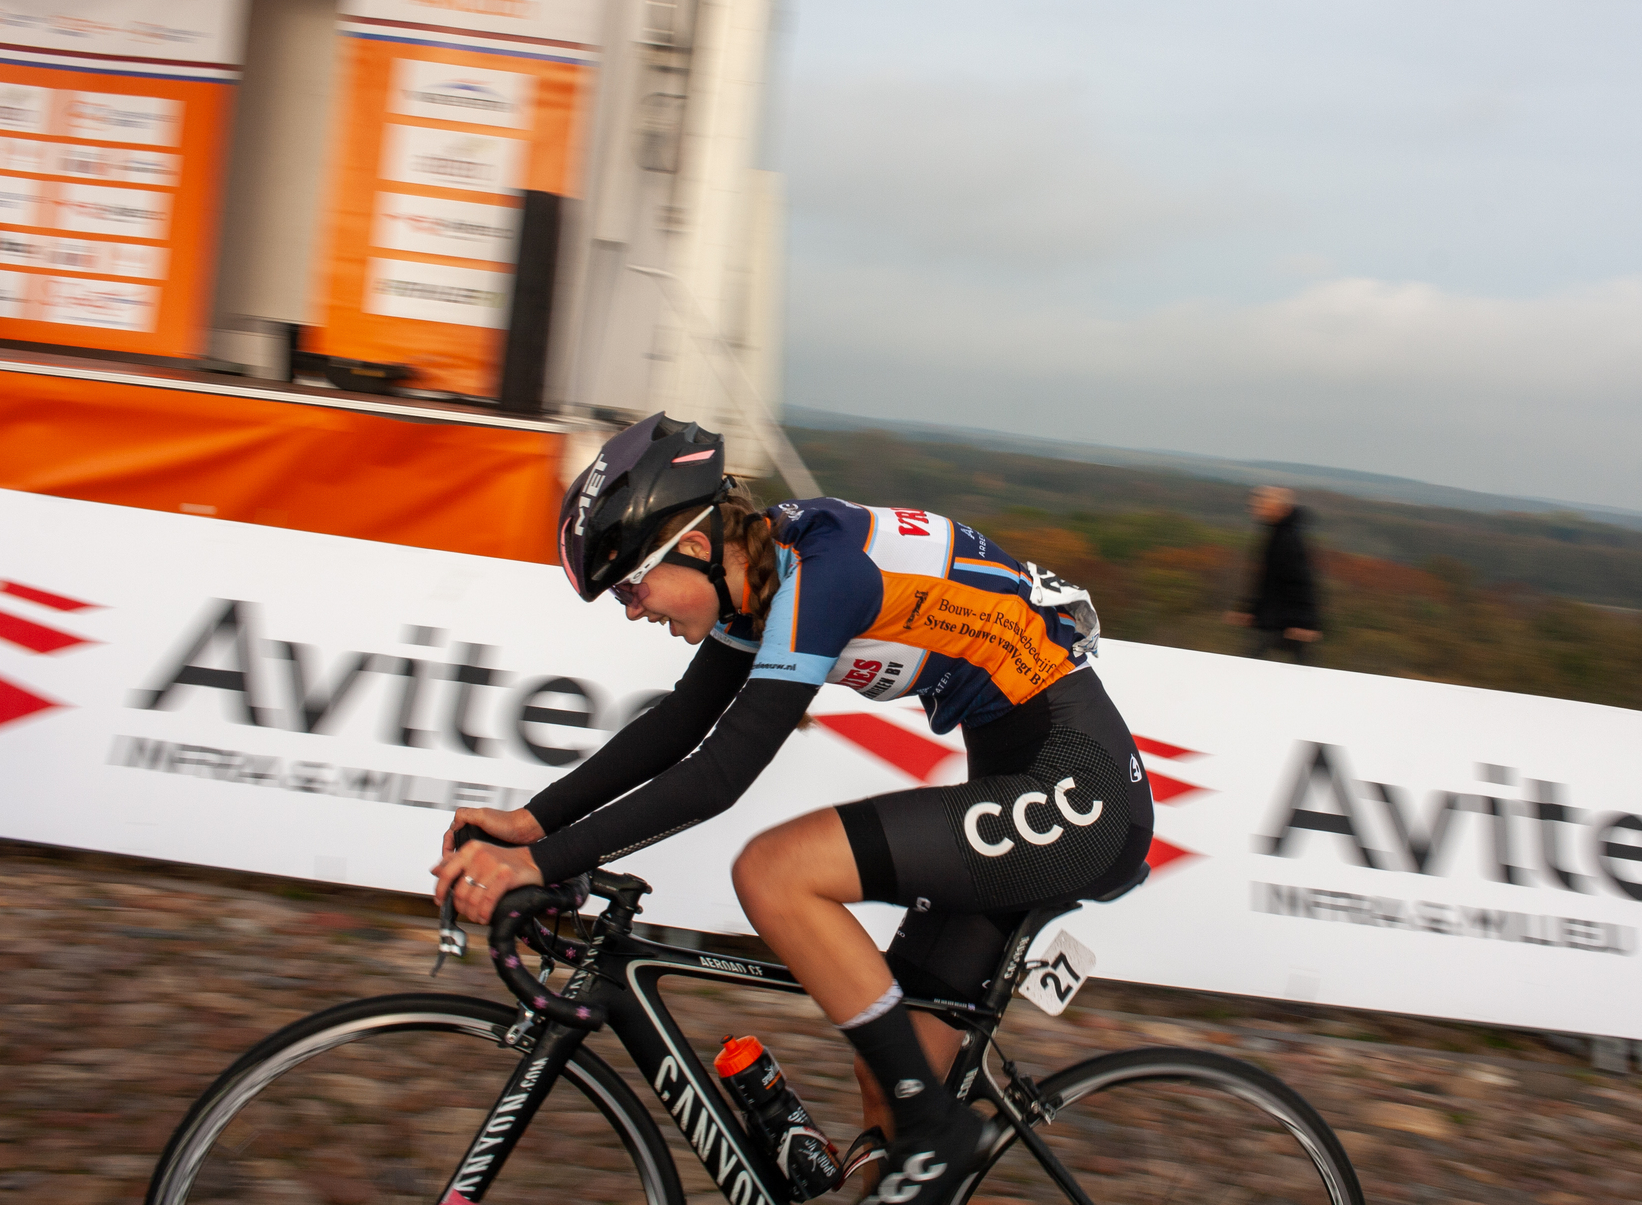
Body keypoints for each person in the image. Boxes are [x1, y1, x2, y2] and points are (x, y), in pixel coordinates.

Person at [431, 415, 1153, 1205]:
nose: (634, 610)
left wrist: (537, 865)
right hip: (1018, 782)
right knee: (887, 1085)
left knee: (775, 873)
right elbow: (679, 725)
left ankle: (937, 1130)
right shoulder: (763, 582)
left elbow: (718, 777)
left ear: (698, 547)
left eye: (633, 586)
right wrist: (534, 825)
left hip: (1077, 794)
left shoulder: (820, 578)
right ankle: (925, 1128)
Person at [1224, 485, 1323, 664]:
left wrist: (1305, 623)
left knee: (1297, 671)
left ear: (1278, 508)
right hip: (1277, 618)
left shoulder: (1288, 538)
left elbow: (1301, 581)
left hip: (1286, 621)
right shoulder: (1278, 532)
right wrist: (1251, 610)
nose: (1254, 509)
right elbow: (1268, 581)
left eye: (1260, 505)